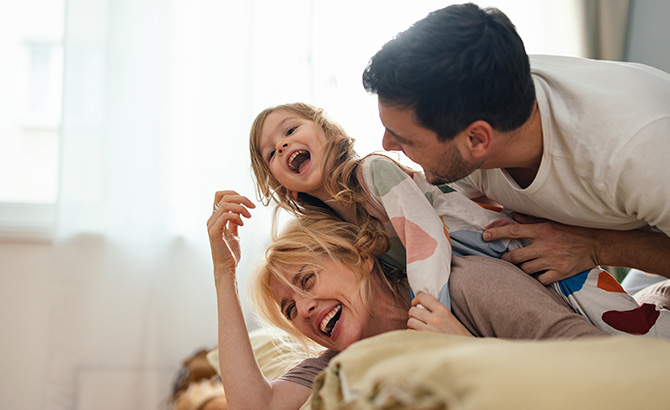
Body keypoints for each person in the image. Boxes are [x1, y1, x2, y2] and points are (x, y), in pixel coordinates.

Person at [247, 102, 670, 337]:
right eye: (271, 152)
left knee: (616, 319)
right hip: (480, 259)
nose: (283, 146)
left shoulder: (372, 173)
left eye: (290, 131)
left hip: (503, 240)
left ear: (331, 133)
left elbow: (426, 238)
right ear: (281, 183)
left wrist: (428, 311)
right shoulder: (337, 226)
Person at [361, 3, 670, 290]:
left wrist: (596, 246)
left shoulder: (637, 151)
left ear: (477, 140)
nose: (387, 145)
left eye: (404, 137)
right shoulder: (482, 97)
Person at [207, 202, 606, 410]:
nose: (305, 309)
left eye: (307, 280)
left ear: (359, 255)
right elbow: (253, 406)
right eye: (289, 309)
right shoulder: (337, 364)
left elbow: (598, 357)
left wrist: (469, 349)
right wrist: (224, 275)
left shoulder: (468, 285)